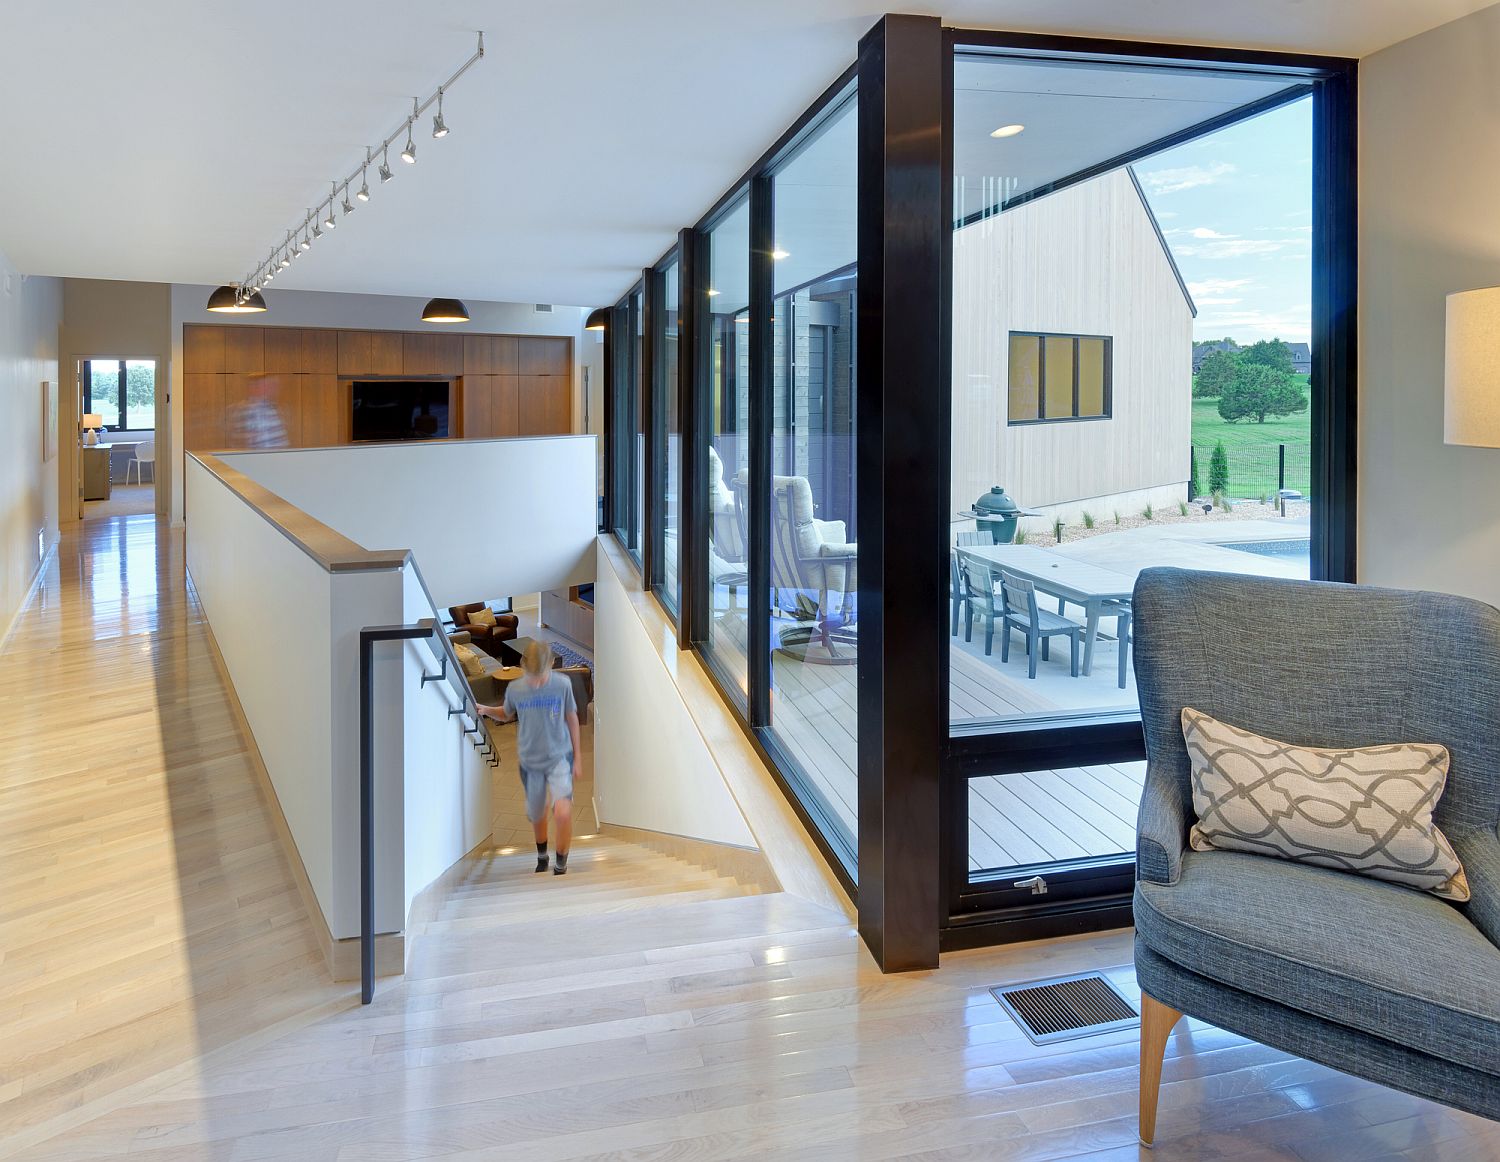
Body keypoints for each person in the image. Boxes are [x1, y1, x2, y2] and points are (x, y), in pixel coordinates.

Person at [477, 641, 581, 875]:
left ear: (552, 665)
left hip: (559, 758)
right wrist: (485, 709)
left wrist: (578, 758)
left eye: (542, 676)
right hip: (530, 763)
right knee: (537, 813)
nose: (537, 682)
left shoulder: (562, 684)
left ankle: (561, 864)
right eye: (533, 677)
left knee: (563, 813)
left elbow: (571, 718)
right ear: (523, 667)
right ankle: (542, 855)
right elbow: (506, 713)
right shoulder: (515, 689)